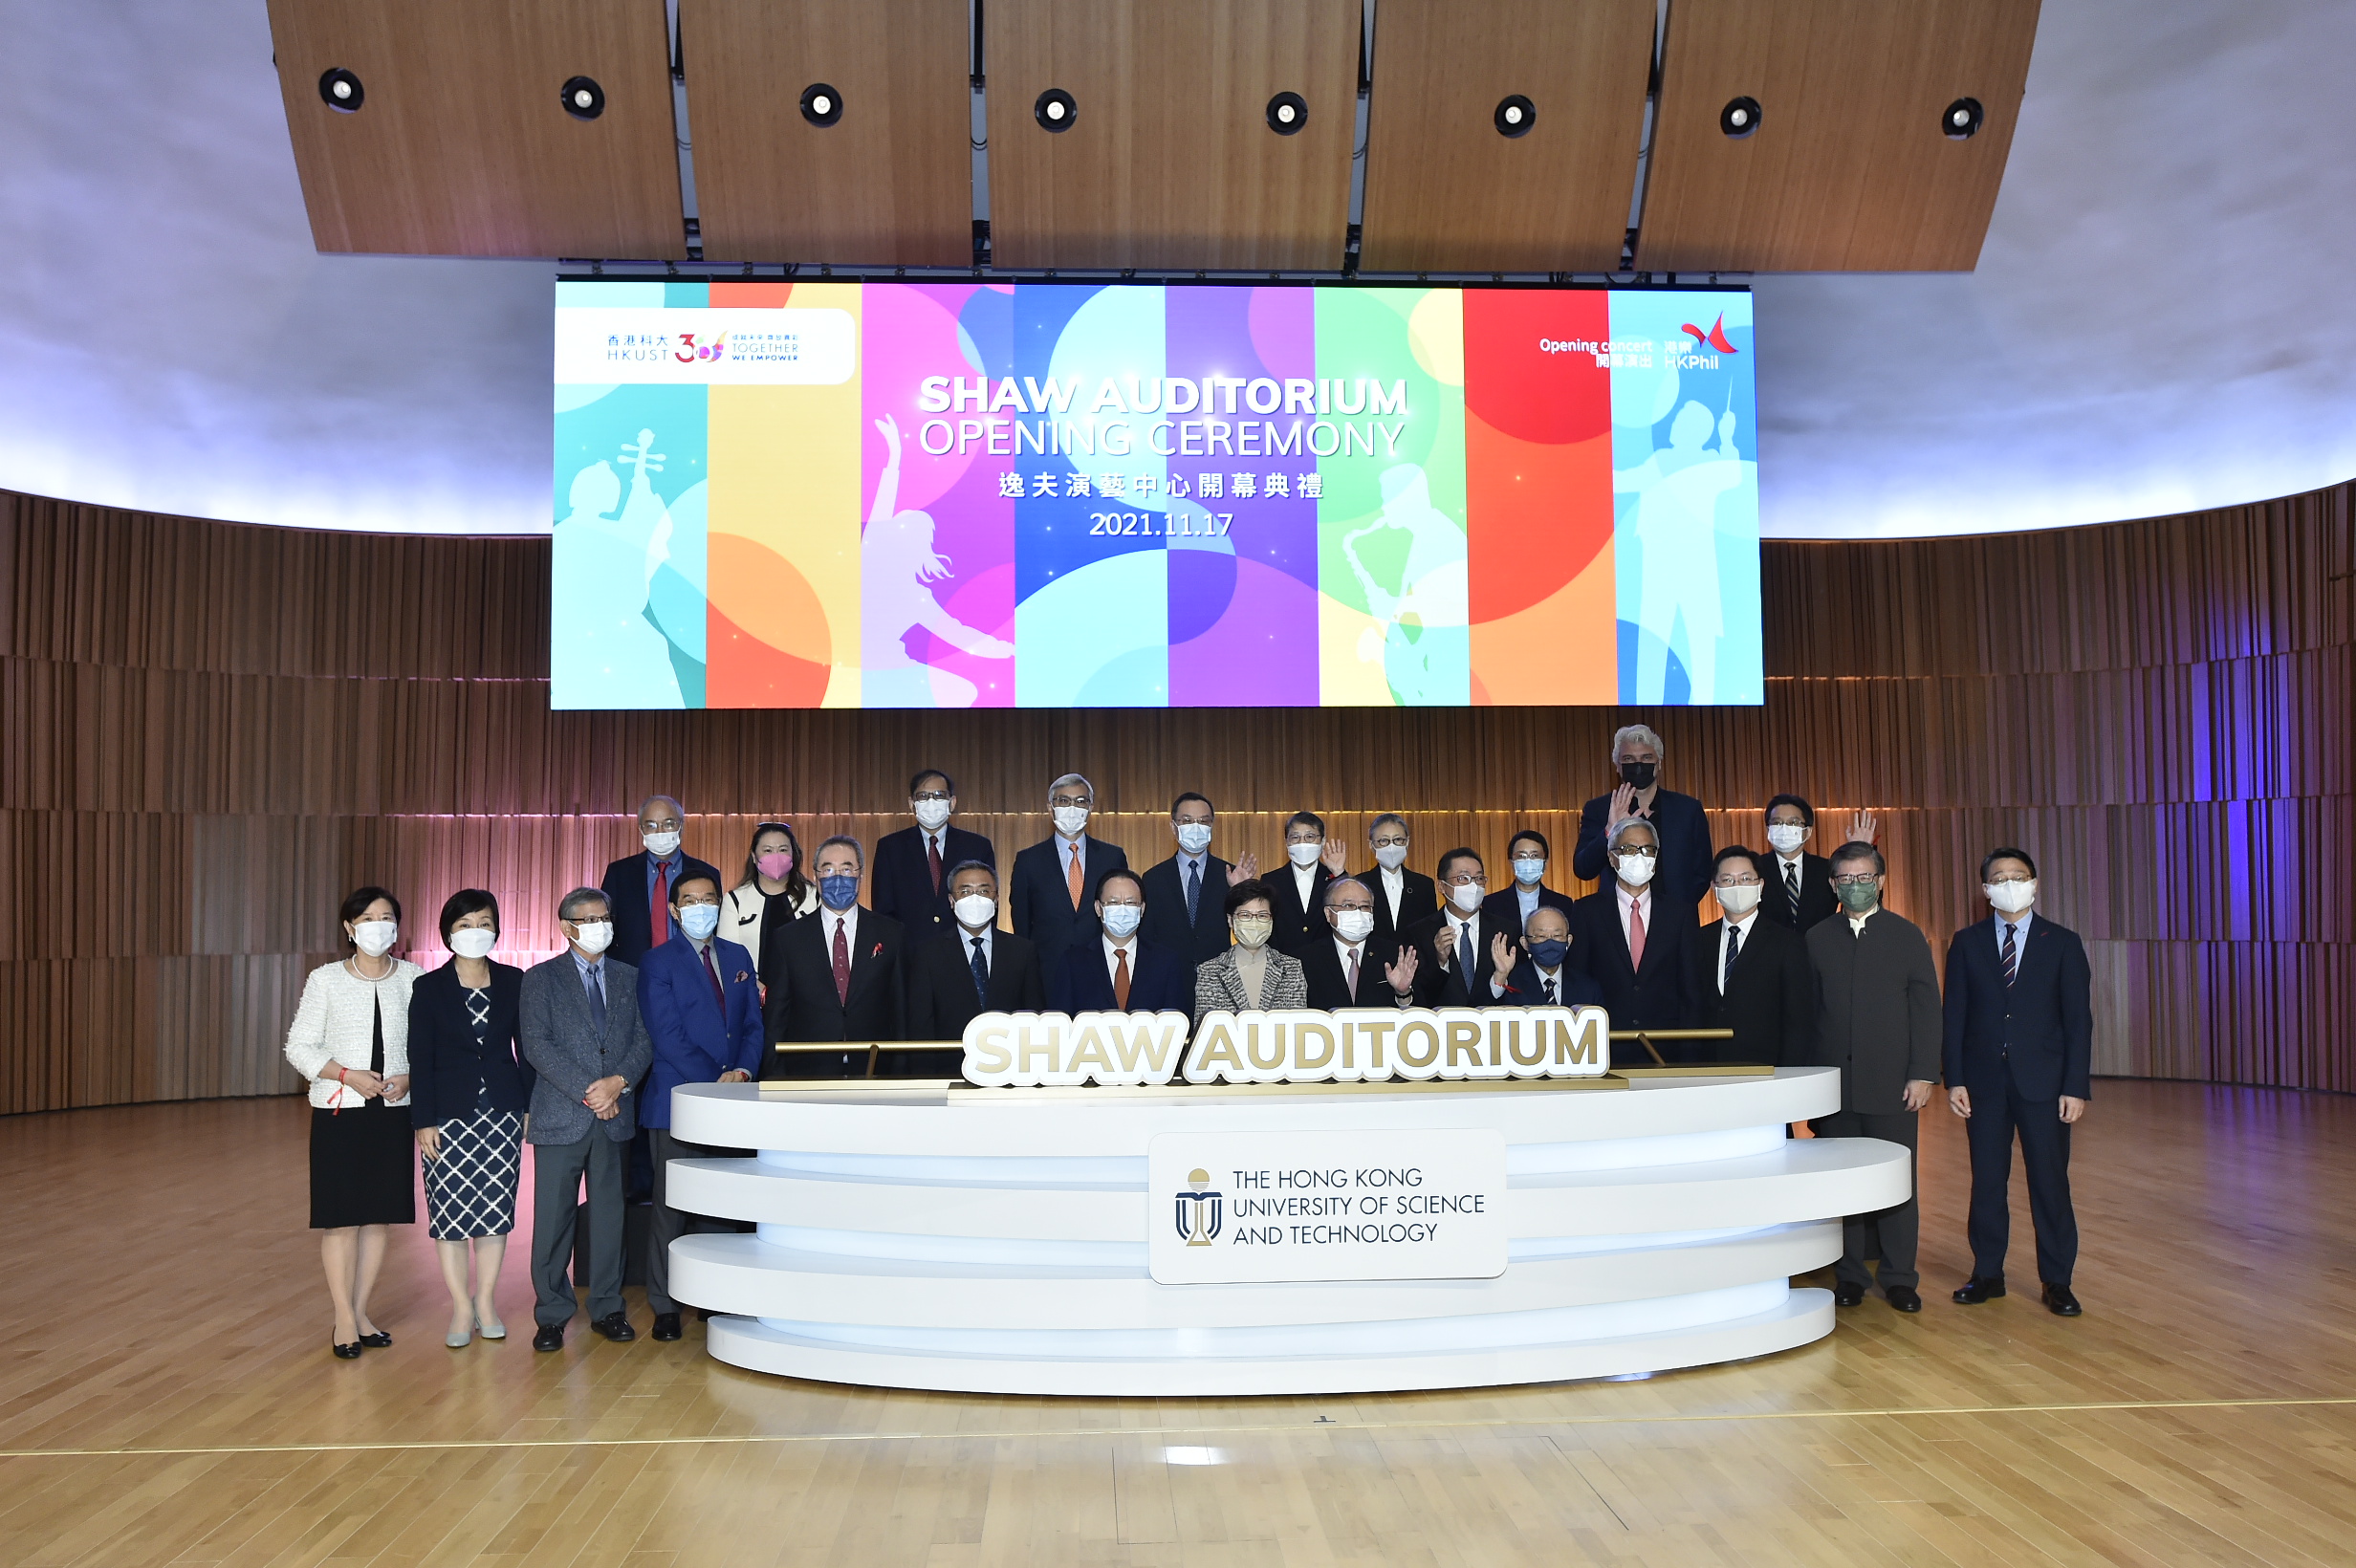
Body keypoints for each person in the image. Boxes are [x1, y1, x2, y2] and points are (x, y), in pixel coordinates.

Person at [1943, 848, 2093, 1317]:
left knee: (2049, 1183)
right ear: (1985, 889)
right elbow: (1955, 1017)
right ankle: (1987, 1273)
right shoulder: (1966, 942)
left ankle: (2058, 1281)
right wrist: (1955, 1078)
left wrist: (2075, 1086)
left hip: (2045, 1085)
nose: (2009, 884)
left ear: (2035, 883)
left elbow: (2078, 1023)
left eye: (2018, 876)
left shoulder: (2063, 942)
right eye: (1999, 878)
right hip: (1984, 1083)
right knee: (1987, 1182)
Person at [1805, 841, 1941, 1314]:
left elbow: (1927, 1011)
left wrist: (1923, 1073)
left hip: (1894, 1087)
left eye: (1864, 878)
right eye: (1846, 878)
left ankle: (1901, 1277)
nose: (1855, 886)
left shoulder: (1906, 936)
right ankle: (1851, 1276)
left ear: (1881, 881)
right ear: (1833, 884)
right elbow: (1809, 1015)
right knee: (1845, 1186)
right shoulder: (1817, 938)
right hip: (1836, 1089)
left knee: (1897, 1185)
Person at [284, 886, 419, 1359]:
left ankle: (362, 1311)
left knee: (378, 1219)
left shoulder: (414, 978)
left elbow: (428, 1048)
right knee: (341, 1221)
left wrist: (408, 1076)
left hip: (394, 1113)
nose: (378, 925)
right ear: (349, 927)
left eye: (387, 917)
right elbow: (298, 1047)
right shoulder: (326, 980)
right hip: (340, 1110)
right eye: (367, 917)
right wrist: (347, 1074)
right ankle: (343, 1318)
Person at [519, 887, 653, 1352]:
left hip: (616, 1114)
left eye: (604, 916)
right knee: (553, 1219)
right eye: (588, 918)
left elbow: (645, 1039)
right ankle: (552, 1313)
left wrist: (618, 1082)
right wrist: (590, 1091)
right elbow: (537, 1046)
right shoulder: (539, 979)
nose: (600, 925)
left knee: (610, 1216)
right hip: (563, 1114)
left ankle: (607, 1306)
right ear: (566, 927)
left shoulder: (631, 977)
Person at [635, 871, 764, 1342]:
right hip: (679, 1103)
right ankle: (666, 1305)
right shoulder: (656, 962)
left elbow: (752, 1024)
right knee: (672, 1207)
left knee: (723, 1207)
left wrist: (744, 1072)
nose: (700, 907)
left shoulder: (737, 956)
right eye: (690, 900)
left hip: (733, 1102)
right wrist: (716, 1079)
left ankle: (717, 1297)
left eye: (709, 899)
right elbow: (666, 1036)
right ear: (674, 910)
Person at [407, 890, 532, 1349]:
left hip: (501, 1113)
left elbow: (527, 1052)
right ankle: (461, 1305)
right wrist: (423, 1119)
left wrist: (527, 1105)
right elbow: (419, 1058)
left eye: (483, 922)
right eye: (464, 924)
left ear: (496, 929)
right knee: (450, 1214)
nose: (474, 931)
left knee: (494, 1213)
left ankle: (486, 1301)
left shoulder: (515, 981)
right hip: (447, 1116)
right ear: (447, 933)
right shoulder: (429, 987)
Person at [760, 835, 907, 1077]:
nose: (837, 877)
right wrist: (775, 1077)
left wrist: (901, 1072)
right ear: (816, 877)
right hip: (808, 1072)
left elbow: (900, 1011)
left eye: (846, 869)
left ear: (860, 875)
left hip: (876, 1070)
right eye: (828, 869)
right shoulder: (788, 938)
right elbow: (777, 1017)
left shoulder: (891, 933)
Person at [902, 860, 1047, 1073]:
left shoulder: (1022, 951)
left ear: (996, 899)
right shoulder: (927, 954)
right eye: (965, 892)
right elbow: (920, 1025)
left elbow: (1033, 1017)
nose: (975, 899)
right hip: (949, 1072)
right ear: (951, 900)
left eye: (983, 891)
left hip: (1013, 1071)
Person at [1568, 818, 1697, 1034]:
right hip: (1606, 1040)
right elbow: (1578, 979)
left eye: (1647, 849)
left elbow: (1691, 988)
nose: (1639, 856)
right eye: (1629, 849)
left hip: (1666, 1042)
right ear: (1612, 858)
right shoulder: (1586, 911)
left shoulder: (1680, 913)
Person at [1691, 847, 1813, 1066]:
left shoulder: (1787, 943)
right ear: (1714, 887)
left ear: (1761, 885)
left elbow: (1798, 1021)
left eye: (1746, 879)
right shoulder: (1698, 940)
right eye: (1727, 880)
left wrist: (1789, 1074)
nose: (1737, 886)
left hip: (1765, 1069)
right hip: (1707, 1069)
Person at [1572, 725, 1712, 910]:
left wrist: (1680, 910)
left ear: (1659, 763)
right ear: (1618, 766)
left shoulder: (1688, 809)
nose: (1638, 766)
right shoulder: (1599, 809)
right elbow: (1583, 869)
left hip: (1675, 920)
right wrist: (1610, 830)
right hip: (1616, 921)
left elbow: (1703, 872)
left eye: (1646, 758)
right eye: (1629, 759)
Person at [1009, 773, 1129, 981]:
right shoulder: (1028, 860)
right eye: (1064, 801)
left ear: (1090, 808)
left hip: (1102, 969)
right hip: (1047, 972)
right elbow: (1022, 923)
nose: (1072, 808)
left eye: (1080, 801)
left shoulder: (1112, 857)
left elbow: (1122, 913)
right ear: (1050, 807)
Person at [871, 770, 997, 947]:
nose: (931, 802)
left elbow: (988, 903)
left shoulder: (977, 846)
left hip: (963, 953)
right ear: (912, 803)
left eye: (939, 795)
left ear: (952, 802)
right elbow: (883, 912)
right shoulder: (890, 848)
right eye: (923, 796)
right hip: (910, 956)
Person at [599, 795, 725, 969]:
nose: (660, 831)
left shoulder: (707, 873)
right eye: (651, 825)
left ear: (681, 825)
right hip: (633, 975)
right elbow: (606, 926)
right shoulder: (619, 873)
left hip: (692, 972)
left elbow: (717, 930)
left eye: (668, 824)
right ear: (640, 829)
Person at [1048, 867, 1192, 1013]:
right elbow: (1060, 1023)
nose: (1122, 909)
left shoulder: (1166, 962)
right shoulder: (1073, 962)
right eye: (1113, 902)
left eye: (1130, 903)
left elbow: (1177, 1021)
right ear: (1098, 908)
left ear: (1142, 909)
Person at [1140, 792, 1255, 969]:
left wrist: (1242, 892)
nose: (1195, 827)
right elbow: (1146, 939)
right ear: (1173, 826)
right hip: (1170, 979)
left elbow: (1249, 934)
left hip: (1220, 980)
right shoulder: (1153, 878)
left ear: (1211, 826)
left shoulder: (1231, 875)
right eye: (1187, 821)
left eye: (1203, 821)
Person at [1192, 880, 1309, 1022]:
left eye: (1262, 915)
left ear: (1272, 920)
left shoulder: (1292, 968)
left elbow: (1296, 1029)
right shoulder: (1210, 971)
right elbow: (1206, 1033)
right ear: (1230, 920)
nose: (1254, 923)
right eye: (1245, 915)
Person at [717, 820, 816, 988]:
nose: (776, 856)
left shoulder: (814, 896)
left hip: (806, 996)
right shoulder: (735, 900)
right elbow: (728, 957)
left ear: (794, 855)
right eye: (768, 850)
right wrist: (754, 986)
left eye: (783, 850)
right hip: (753, 996)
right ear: (755, 857)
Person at [1407, 848, 1508, 1008]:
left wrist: (1500, 978)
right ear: (1441, 886)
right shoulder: (1420, 933)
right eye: (1463, 878)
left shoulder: (1505, 931)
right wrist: (1440, 962)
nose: (1473, 886)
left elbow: (1518, 994)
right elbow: (1419, 995)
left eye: (1479, 878)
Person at [1301, 876, 1420, 1011]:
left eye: (1365, 906)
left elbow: (1422, 1012)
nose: (1357, 912)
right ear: (1328, 914)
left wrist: (1403, 993)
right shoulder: (1305, 960)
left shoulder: (1397, 957)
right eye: (1348, 905)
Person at [1485, 904, 1604, 1009]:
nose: (1550, 942)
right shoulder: (1510, 983)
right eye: (1541, 936)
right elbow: (1487, 1015)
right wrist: (1501, 975)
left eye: (1557, 935)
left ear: (1569, 940)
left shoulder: (1588, 987)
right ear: (1525, 943)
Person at [1265, 810, 1345, 957]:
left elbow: (1350, 912)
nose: (1302, 843)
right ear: (1286, 842)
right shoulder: (1270, 881)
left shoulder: (1336, 878)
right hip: (1283, 965)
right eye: (1295, 837)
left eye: (1310, 837)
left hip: (1327, 962)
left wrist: (1340, 874)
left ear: (1322, 841)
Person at [1484, 828, 1574, 947]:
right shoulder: (1492, 903)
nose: (1528, 861)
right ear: (1512, 863)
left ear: (1545, 863)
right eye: (1521, 856)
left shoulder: (1562, 903)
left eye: (1535, 856)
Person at [1759, 795, 1836, 931]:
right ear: (1768, 830)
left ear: (1808, 831)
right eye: (1777, 823)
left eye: (1793, 823)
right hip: (1768, 951)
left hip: (1818, 950)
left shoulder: (1827, 869)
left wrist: (1862, 851)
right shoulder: (1755, 868)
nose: (1784, 829)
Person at [1364, 814, 1437, 944]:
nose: (1391, 846)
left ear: (1407, 842)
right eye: (1383, 841)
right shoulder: (1361, 884)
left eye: (1398, 840)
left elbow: (1429, 931)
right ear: (1371, 845)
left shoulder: (1423, 885)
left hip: (1414, 961)